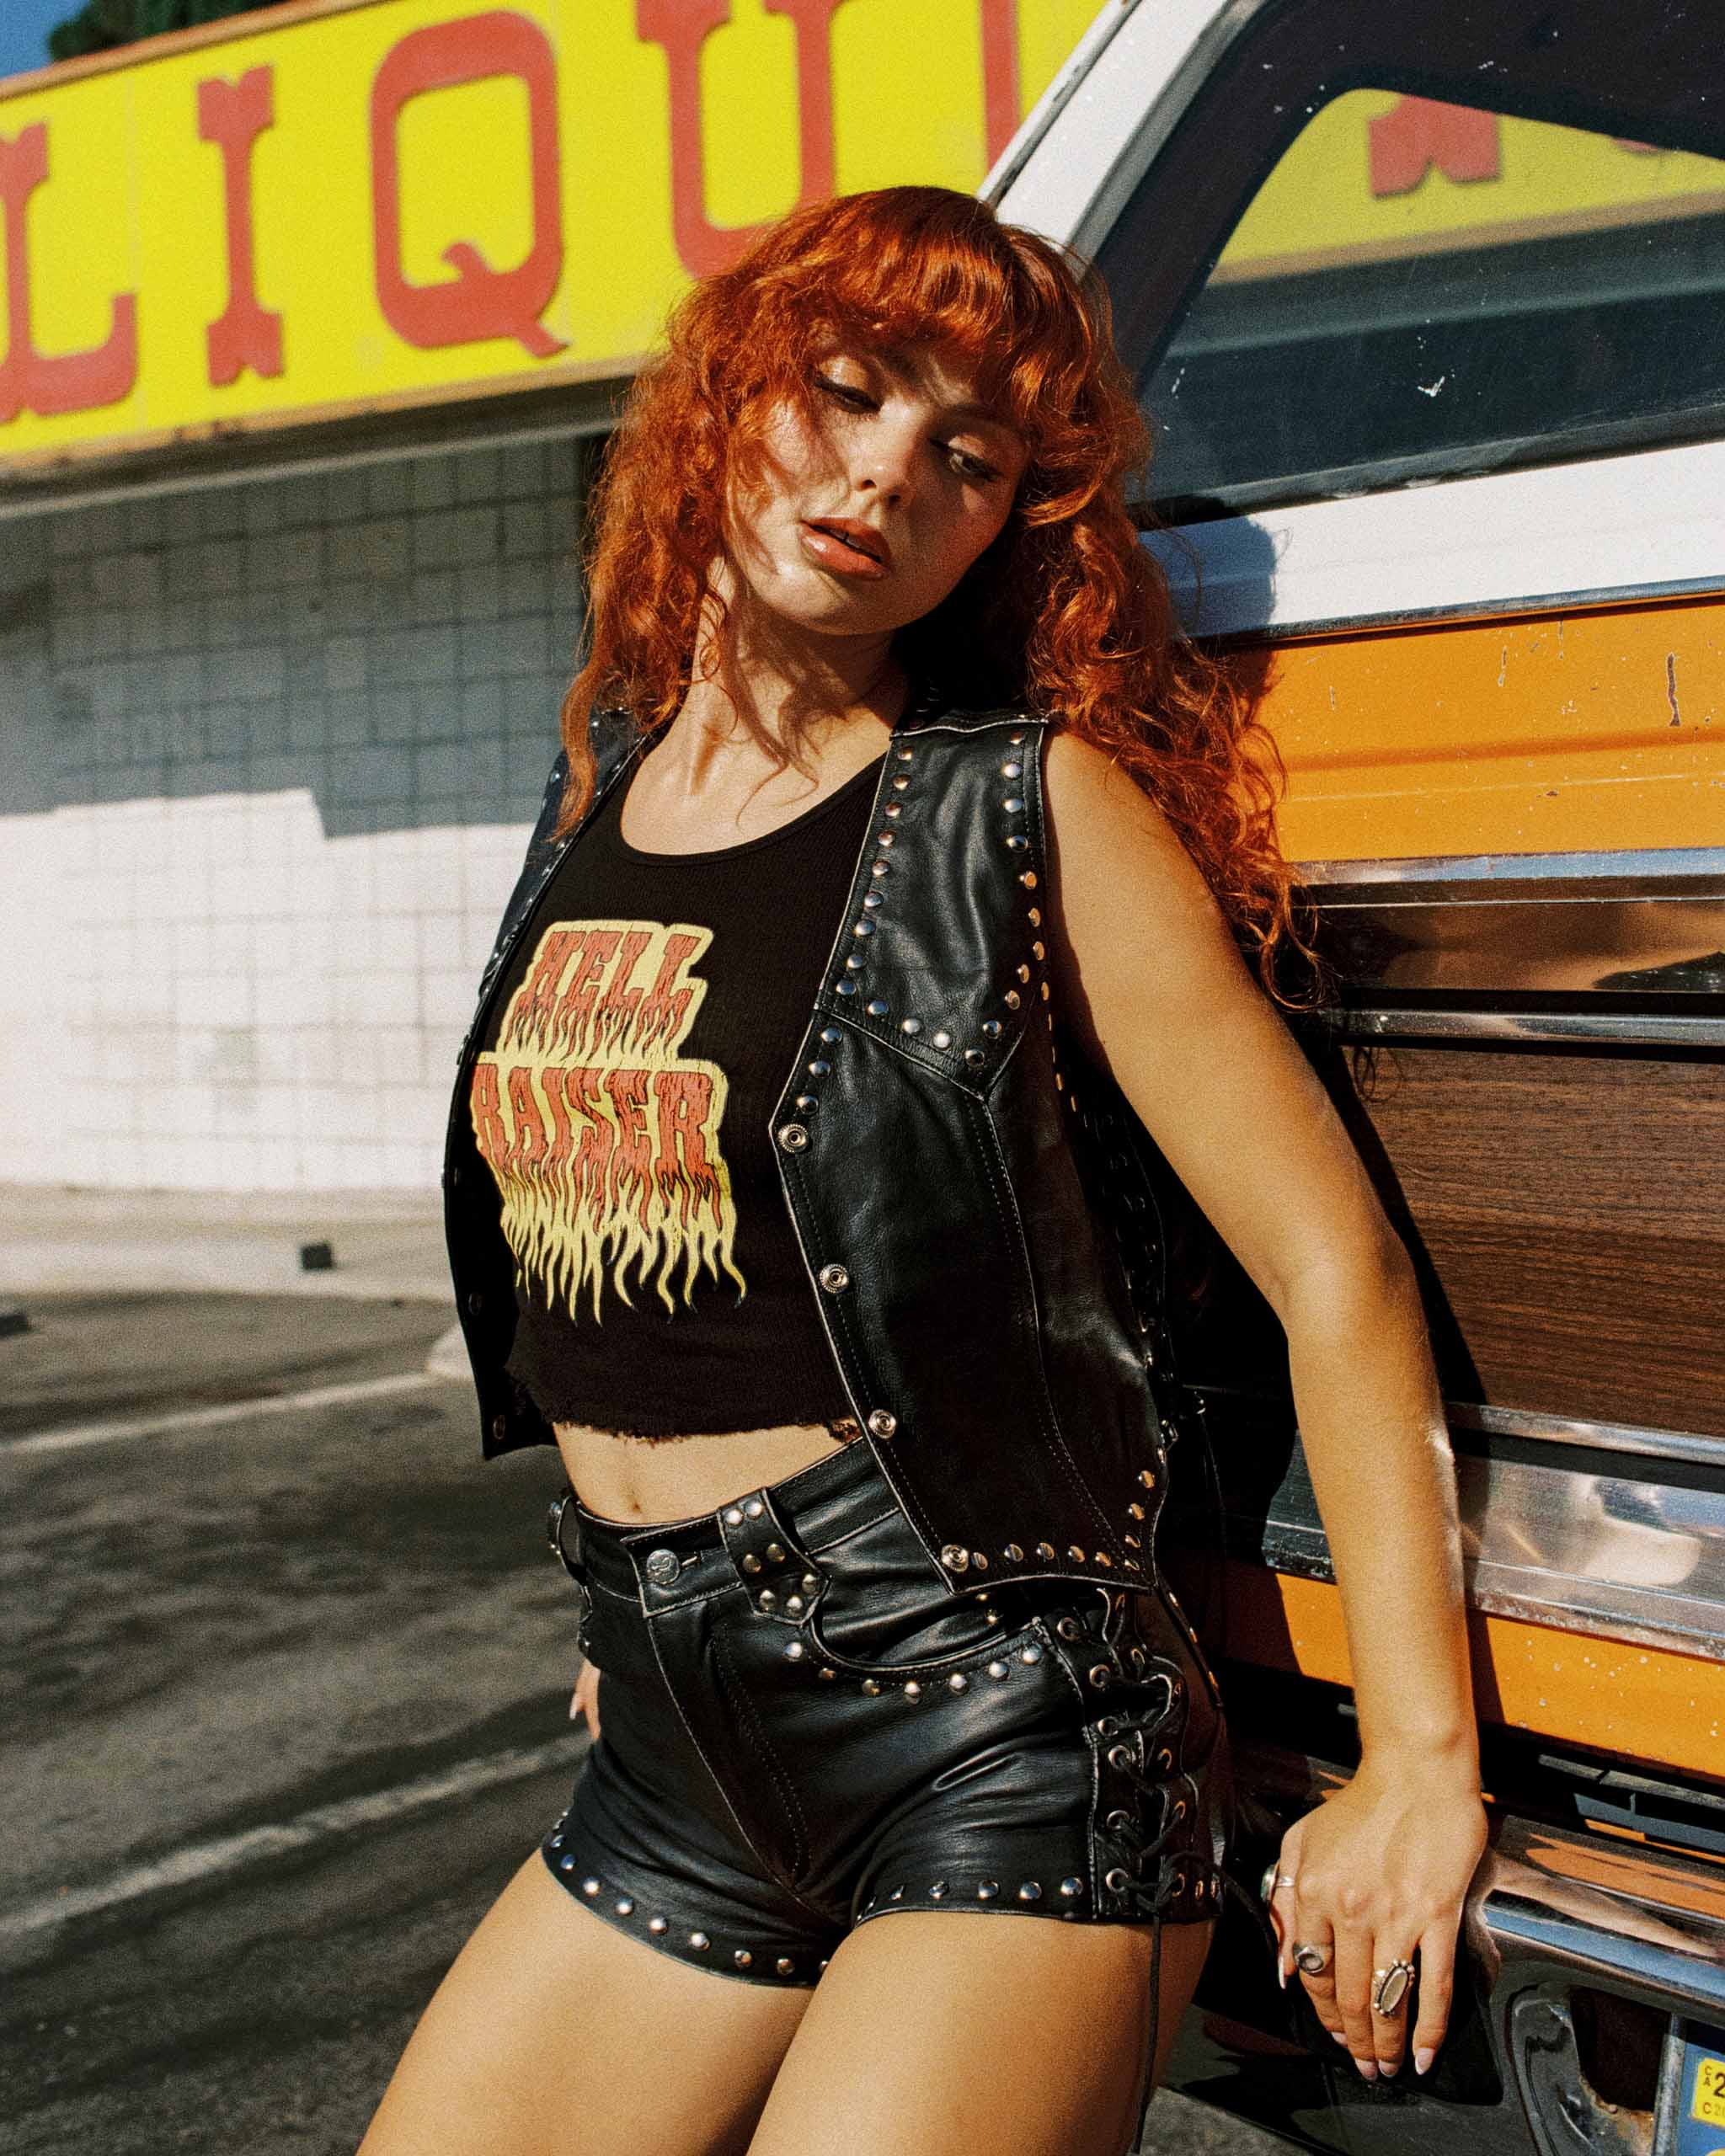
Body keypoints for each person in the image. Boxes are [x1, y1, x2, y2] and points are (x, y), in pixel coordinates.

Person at [359, 184, 1488, 2156]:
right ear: (726, 395)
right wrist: (653, 1614)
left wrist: (1417, 1762)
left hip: (993, 1730)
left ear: (1001, 527)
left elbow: (1337, 1267)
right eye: (847, 389)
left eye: (966, 455)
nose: (887, 471)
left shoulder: (1021, 809)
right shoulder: (604, 782)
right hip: (675, 1740)